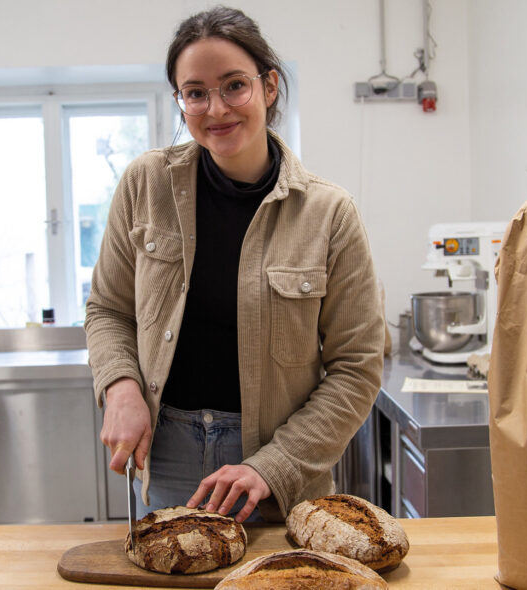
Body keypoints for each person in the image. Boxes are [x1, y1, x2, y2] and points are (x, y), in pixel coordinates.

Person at [85, 5, 385, 524]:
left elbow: (357, 366)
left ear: (269, 87)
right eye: (195, 92)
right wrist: (120, 385)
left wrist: (273, 465)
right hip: (170, 453)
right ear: (181, 103)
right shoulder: (146, 184)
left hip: (281, 463)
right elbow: (108, 309)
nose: (216, 108)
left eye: (233, 86)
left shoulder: (328, 213)